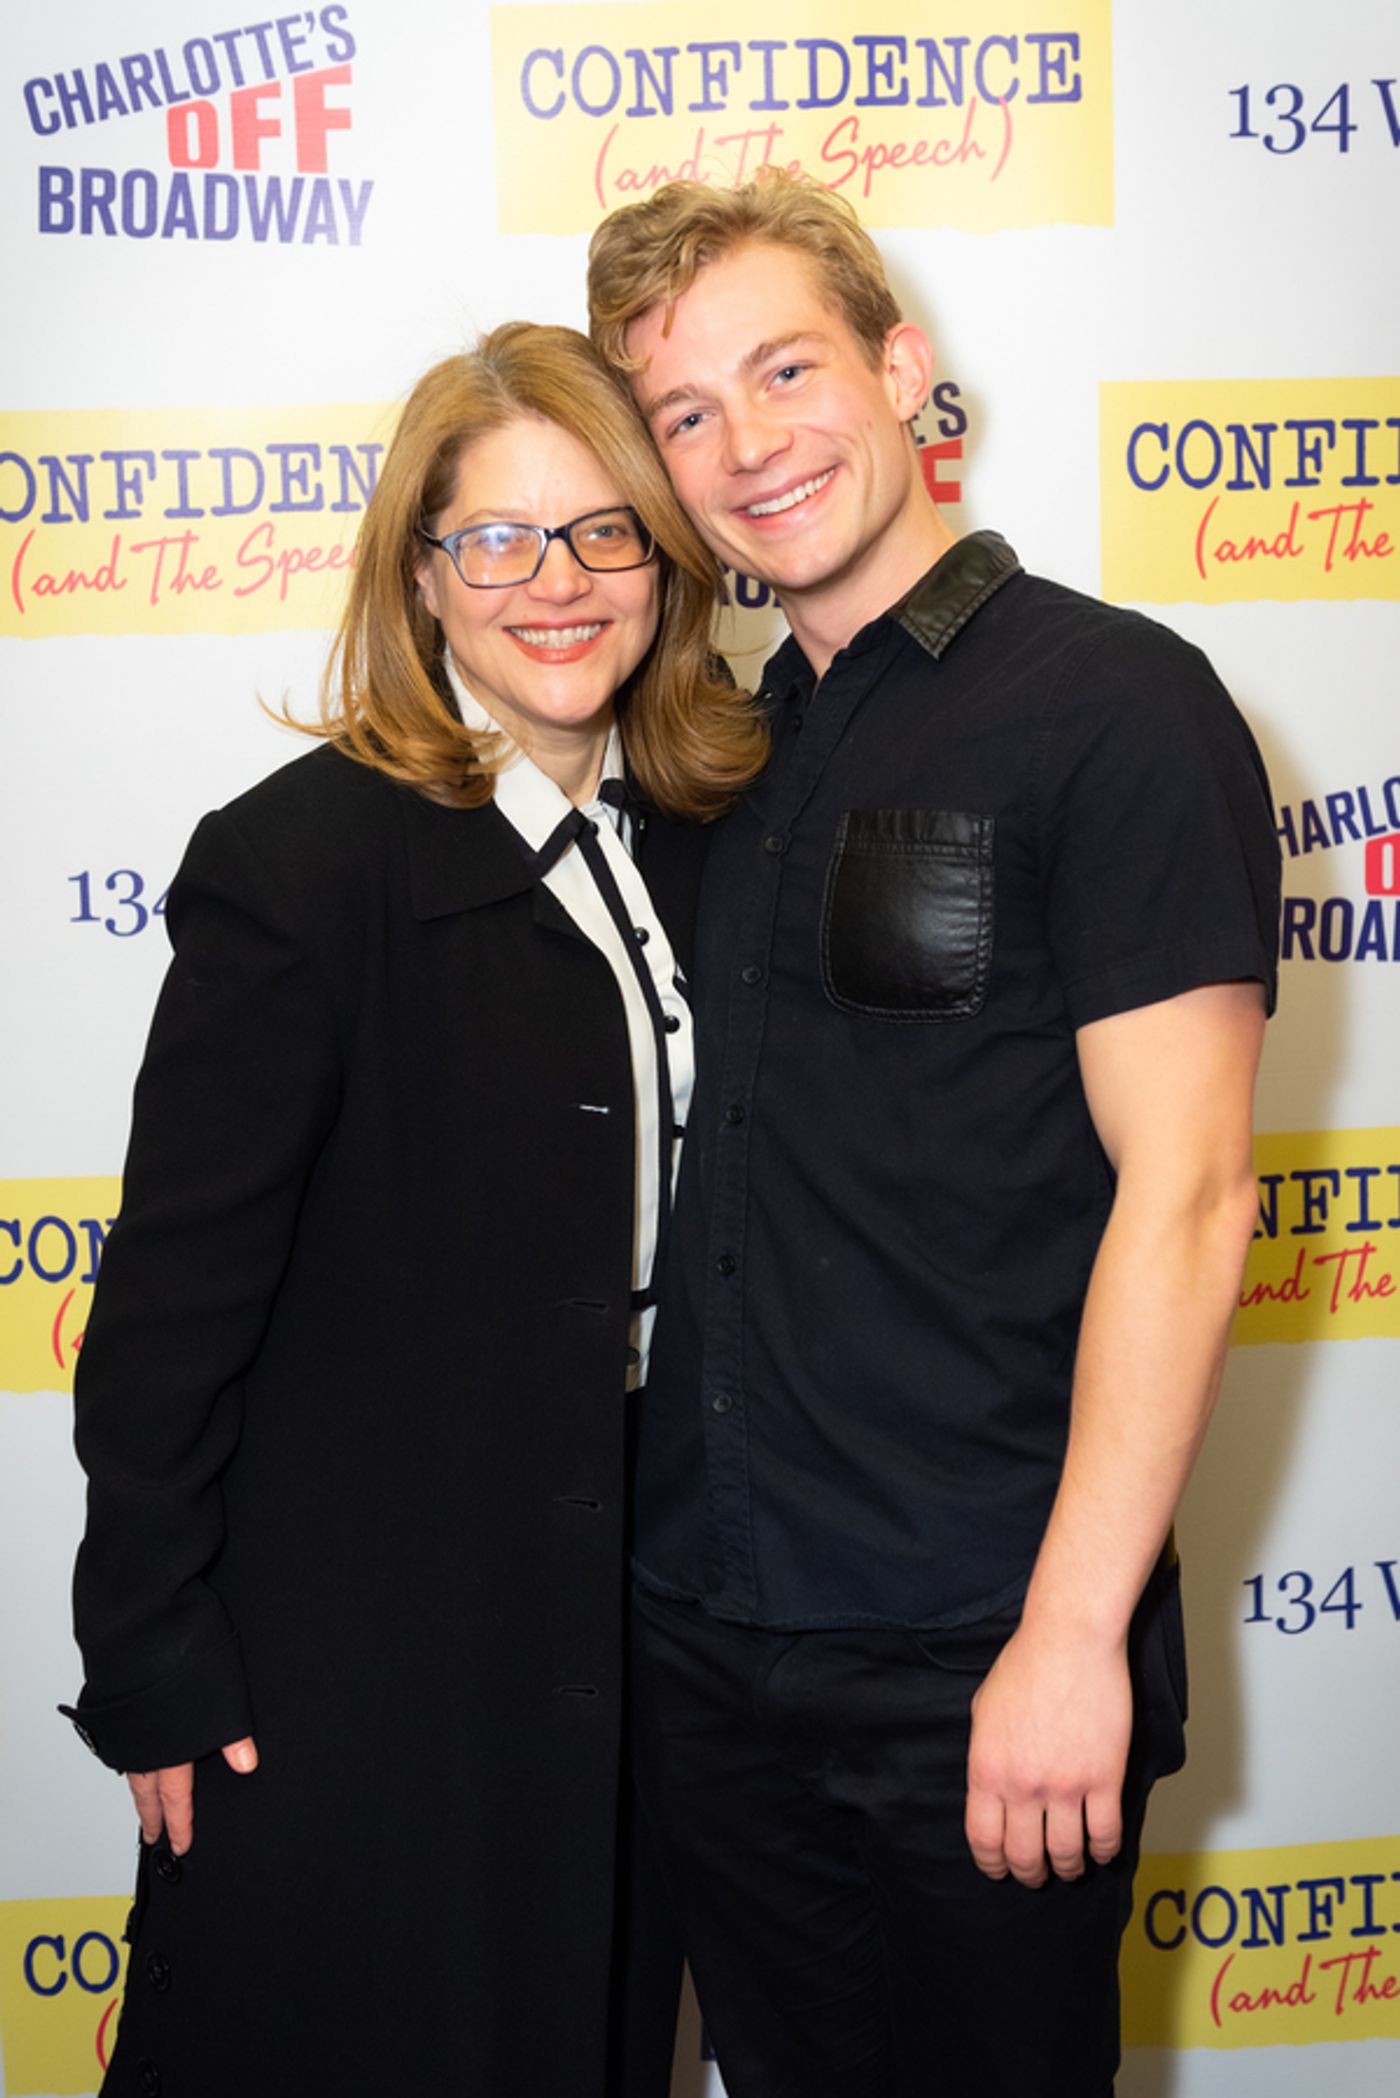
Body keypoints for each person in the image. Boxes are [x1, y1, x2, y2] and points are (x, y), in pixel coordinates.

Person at [587, 174, 1281, 2096]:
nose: (751, 446)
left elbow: (1194, 1189)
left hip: (981, 1654)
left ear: (905, 372)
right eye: (688, 415)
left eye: (786, 367)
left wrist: (1072, 1639)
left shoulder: (1114, 706)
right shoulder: (712, 761)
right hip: (708, 1641)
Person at [62, 322, 766, 2098]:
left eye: (606, 530)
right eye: (500, 539)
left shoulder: (707, 839)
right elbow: (166, 1320)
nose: (558, 581)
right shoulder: (305, 865)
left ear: (665, 560)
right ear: (423, 577)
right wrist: (150, 1654)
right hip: (355, 1656)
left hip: (631, 1620)